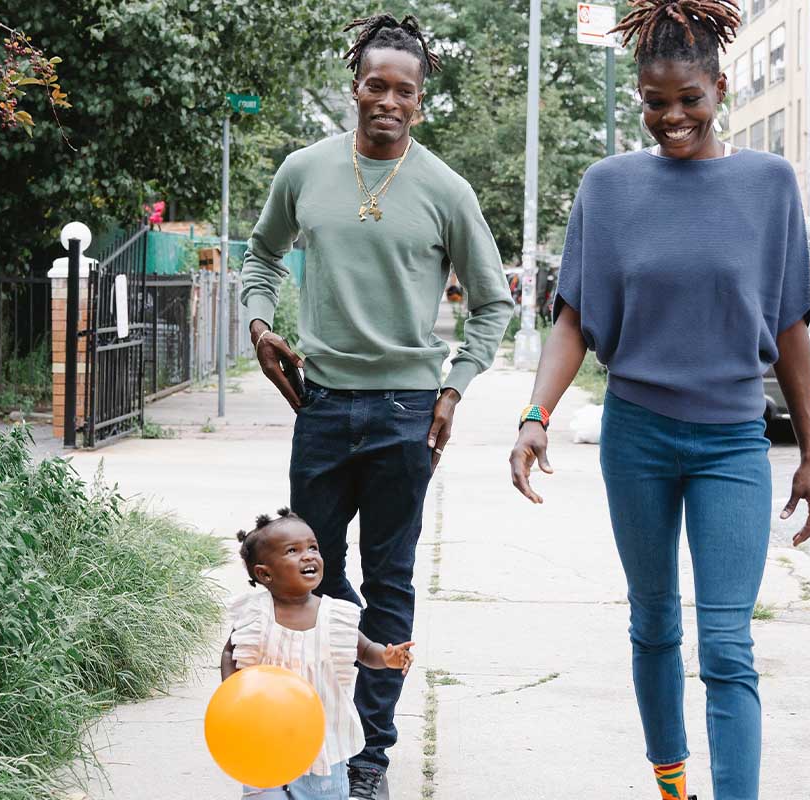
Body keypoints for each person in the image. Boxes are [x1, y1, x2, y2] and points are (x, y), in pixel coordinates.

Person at [508, 2, 810, 799]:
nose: (672, 116)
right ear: (639, 98)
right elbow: (573, 320)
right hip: (637, 437)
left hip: (732, 441)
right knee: (652, 622)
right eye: (655, 102)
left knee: (727, 644)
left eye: (689, 98)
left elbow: (790, 326)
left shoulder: (769, 185)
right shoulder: (608, 187)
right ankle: (672, 784)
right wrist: (535, 416)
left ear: (721, 88)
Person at [239, 14, 512, 799]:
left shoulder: (446, 190)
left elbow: (493, 303)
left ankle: (368, 760)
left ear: (421, 100)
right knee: (306, 579)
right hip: (321, 404)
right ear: (354, 88)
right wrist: (260, 324)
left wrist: (455, 385)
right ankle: (309, 732)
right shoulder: (305, 170)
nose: (388, 100)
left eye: (405, 90)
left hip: (405, 411)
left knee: (389, 581)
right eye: (375, 85)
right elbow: (261, 254)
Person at [221, 509, 415, 800]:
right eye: (293, 551)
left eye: (313, 547)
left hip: (322, 738)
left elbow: (363, 649)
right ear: (264, 573)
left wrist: (386, 657)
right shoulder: (255, 615)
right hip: (266, 732)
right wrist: (232, 692)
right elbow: (231, 652)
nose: (308, 556)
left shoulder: (334, 615)